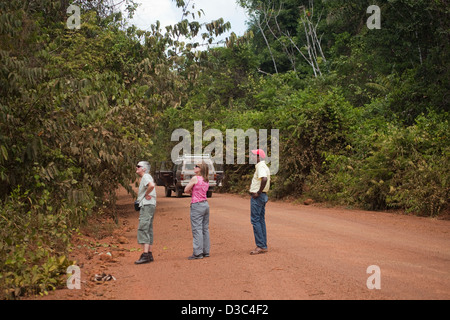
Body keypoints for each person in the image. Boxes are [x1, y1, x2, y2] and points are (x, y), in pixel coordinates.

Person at [184, 162, 210, 260]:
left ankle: (198, 252)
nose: (194, 167)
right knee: (205, 229)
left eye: (197, 166)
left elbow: (186, 189)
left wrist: (191, 191)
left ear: (201, 169)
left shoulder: (195, 178)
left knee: (197, 229)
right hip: (205, 204)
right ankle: (206, 251)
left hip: (197, 204)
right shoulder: (206, 179)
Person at [134, 161, 157, 264]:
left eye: (139, 166)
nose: (137, 168)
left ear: (144, 168)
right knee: (148, 228)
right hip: (150, 204)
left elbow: (151, 185)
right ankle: (149, 253)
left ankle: (145, 254)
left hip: (147, 205)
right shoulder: (147, 176)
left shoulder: (146, 176)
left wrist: (145, 194)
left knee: (143, 227)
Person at [249, 149, 271, 255]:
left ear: (259, 157)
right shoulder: (263, 166)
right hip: (263, 196)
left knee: (255, 220)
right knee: (260, 220)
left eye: (253, 155)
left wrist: (258, 192)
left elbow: (264, 179)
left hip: (258, 197)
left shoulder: (260, 166)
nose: (252, 157)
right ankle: (263, 244)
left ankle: (261, 245)